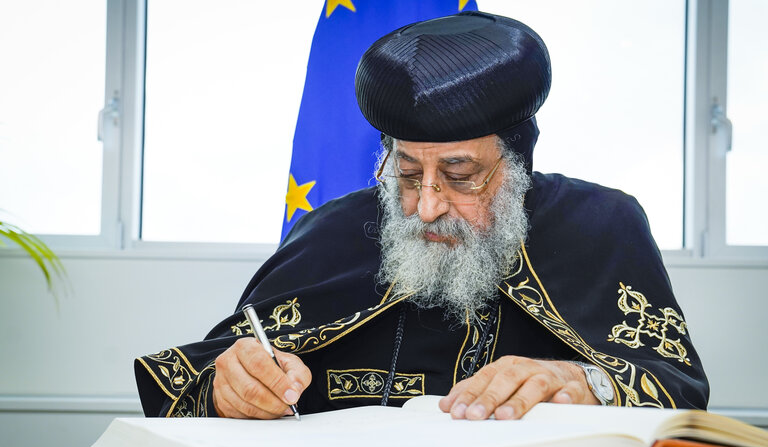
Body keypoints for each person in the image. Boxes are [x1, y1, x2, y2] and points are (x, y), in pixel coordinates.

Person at [135, 11, 709, 421]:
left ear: (517, 164)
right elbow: (196, 379)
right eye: (407, 175)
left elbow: (680, 391)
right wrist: (229, 387)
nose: (427, 206)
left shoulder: (603, 224)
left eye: (460, 177)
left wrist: (588, 384)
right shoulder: (333, 230)